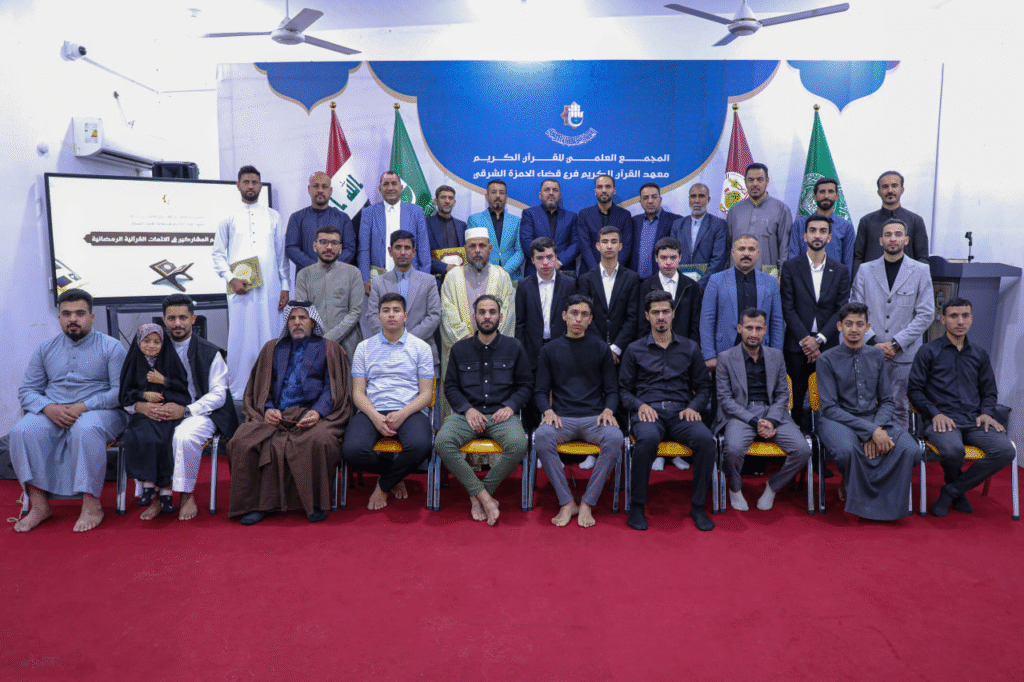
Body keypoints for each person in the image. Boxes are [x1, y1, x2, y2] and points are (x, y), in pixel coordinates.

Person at [10, 290, 128, 533]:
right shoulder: (45, 349)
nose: (73, 319)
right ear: (60, 318)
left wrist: (83, 406)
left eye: (79, 313)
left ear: (92, 317)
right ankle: (39, 505)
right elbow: (28, 390)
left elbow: (121, 392)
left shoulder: (111, 347)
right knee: (22, 431)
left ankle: (91, 505)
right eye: (67, 314)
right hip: (54, 410)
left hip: (100, 411)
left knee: (86, 428)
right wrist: (48, 408)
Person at [228, 302, 350, 524]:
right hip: (276, 414)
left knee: (318, 440)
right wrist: (267, 408)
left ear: (312, 322)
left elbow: (332, 388)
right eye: (292, 318)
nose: (297, 322)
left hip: (311, 415)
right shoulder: (272, 348)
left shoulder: (329, 348)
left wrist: (317, 412)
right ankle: (258, 505)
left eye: (302, 318)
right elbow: (261, 386)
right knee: (243, 441)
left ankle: (313, 503)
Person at [129, 294, 238, 521]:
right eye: (172, 318)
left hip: (201, 412)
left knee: (183, 436)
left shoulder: (209, 351)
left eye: (183, 318)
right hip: (163, 409)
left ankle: (187, 495)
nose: (177, 323)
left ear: (193, 319)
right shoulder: (154, 347)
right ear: (164, 320)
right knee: (148, 433)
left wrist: (186, 410)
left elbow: (218, 395)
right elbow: (134, 383)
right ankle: (158, 497)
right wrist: (144, 406)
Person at [907, 298, 1016, 517]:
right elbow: (914, 391)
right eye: (954, 316)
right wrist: (935, 413)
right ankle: (958, 490)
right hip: (942, 420)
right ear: (943, 319)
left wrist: (987, 413)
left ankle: (952, 490)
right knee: (953, 450)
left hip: (974, 420)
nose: (960, 321)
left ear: (971, 319)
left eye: (965, 316)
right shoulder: (928, 351)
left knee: (1006, 450)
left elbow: (989, 392)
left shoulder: (979, 354)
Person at [619, 291, 717, 532]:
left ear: (673, 314)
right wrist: (640, 406)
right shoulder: (634, 349)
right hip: (648, 412)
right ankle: (638, 506)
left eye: (665, 311)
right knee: (647, 440)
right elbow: (623, 390)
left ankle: (698, 506)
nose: (661, 316)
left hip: (682, 412)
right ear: (647, 316)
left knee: (706, 440)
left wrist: (694, 407)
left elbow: (704, 387)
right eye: (655, 312)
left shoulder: (690, 348)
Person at [815, 302, 922, 521]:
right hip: (837, 420)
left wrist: (875, 428)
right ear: (839, 326)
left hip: (874, 418)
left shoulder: (876, 356)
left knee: (911, 450)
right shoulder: (826, 359)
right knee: (846, 452)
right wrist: (871, 432)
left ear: (868, 327)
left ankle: (878, 497)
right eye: (848, 324)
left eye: (859, 324)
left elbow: (887, 401)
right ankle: (853, 485)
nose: (854, 329)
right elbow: (830, 408)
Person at [435, 295, 532, 526]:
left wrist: (510, 406)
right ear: (474, 316)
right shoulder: (460, 349)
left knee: (518, 444)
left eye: (492, 312)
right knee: (442, 442)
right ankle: (486, 498)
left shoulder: (514, 347)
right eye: (482, 312)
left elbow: (526, 385)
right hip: (466, 415)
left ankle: (478, 495)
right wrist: (467, 410)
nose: (487, 316)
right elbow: (451, 387)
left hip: (501, 415)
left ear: (500, 316)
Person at [533, 295, 622, 528]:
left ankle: (587, 502)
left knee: (615, 437)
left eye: (584, 315)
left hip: (595, 418)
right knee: (541, 436)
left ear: (591, 319)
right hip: (562, 419)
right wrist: (547, 411)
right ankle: (566, 502)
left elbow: (612, 390)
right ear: (564, 316)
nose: (578, 319)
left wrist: (609, 410)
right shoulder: (550, 349)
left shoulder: (601, 349)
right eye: (574, 313)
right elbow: (540, 391)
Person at [343, 293, 435, 510]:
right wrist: (375, 417)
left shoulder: (421, 347)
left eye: (396, 310)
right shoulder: (364, 347)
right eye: (386, 311)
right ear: (378, 317)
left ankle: (383, 485)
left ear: (405, 316)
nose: (391, 315)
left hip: (409, 410)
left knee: (421, 446)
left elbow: (426, 394)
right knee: (352, 450)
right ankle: (395, 475)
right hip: (372, 410)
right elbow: (358, 393)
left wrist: (403, 413)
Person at [715, 309, 811, 511]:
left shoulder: (776, 356)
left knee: (803, 450)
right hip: (740, 414)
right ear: (739, 328)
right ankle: (735, 488)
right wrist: (754, 421)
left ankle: (773, 487)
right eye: (749, 328)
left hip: (773, 413)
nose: (754, 333)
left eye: (758, 328)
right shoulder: (725, 358)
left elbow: (783, 394)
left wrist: (771, 420)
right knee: (732, 451)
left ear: (765, 330)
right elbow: (725, 399)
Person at [212, 165, 290, 400]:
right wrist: (231, 279)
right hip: (240, 290)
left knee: (270, 335)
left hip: (270, 288)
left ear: (260, 185)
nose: (250, 186)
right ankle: (241, 390)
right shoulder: (228, 216)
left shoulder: (273, 216)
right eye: (246, 182)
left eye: (255, 182)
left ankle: (271, 389)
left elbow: (281, 255)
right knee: (241, 339)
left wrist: (285, 285)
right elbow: (217, 254)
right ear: (238, 185)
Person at [850, 218, 934, 429]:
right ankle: (868, 447)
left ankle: (897, 447)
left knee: (899, 408)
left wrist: (895, 343)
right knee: (864, 405)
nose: (893, 239)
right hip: (869, 351)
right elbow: (855, 311)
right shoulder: (865, 270)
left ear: (906, 240)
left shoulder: (920, 270)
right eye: (888, 235)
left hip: (903, 355)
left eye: (898, 234)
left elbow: (926, 314)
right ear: (881, 241)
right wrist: (874, 343)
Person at [779, 215, 851, 434]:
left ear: (829, 237)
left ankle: (824, 447)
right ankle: (796, 446)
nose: (817, 235)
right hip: (796, 346)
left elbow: (841, 309)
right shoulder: (790, 267)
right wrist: (806, 341)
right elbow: (787, 307)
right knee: (794, 402)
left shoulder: (840, 270)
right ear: (805, 236)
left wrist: (818, 340)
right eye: (812, 230)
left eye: (822, 231)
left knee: (826, 402)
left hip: (827, 347)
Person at [439, 227, 515, 416]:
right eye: (472, 246)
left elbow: (507, 314)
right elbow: (447, 313)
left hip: (495, 353)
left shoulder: (502, 276)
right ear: (465, 249)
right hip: (462, 354)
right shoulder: (452, 277)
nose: (477, 250)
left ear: (490, 248)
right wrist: (469, 342)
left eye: (482, 245)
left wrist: (489, 343)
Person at [119, 323, 191, 517]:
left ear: (163, 343)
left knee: (168, 439)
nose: (151, 345)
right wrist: (143, 396)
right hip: (143, 414)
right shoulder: (133, 361)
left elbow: (183, 389)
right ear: (138, 342)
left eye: (157, 342)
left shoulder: (170, 360)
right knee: (144, 436)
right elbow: (125, 393)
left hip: (167, 414)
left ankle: (166, 492)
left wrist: (164, 381)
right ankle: (148, 485)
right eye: (146, 341)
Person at [700, 235, 784, 372]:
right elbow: (706, 320)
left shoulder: (770, 282)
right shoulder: (716, 280)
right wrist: (709, 354)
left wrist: (776, 355)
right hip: (724, 352)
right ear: (733, 253)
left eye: (751, 249)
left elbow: (777, 321)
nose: (746, 254)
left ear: (758, 253)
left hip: (762, 354)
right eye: (741, 249)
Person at [365, 230, 442, 373]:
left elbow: (434, 315)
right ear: (390, 251)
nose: (402, 252)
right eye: (398, 247)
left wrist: (407, 340)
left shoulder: (428, 281)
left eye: (407, 248)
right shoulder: (378, 282)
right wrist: (392, 339)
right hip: (386, 353)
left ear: (413, 252)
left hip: (422, 353)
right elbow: (372, 315)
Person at [294, 225, 364, 364]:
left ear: (340, 248)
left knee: (347, 377)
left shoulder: (353, 273)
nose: (329, 247)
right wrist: (321, 342)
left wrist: (327, 341)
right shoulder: (304, 275)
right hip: (313, 343)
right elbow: (303, 313)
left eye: (334, 243)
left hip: (348, 343)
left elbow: (355, 312)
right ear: (315, 246)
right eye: (323, 242)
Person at [358, 170, 431, 294]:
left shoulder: (416, 212)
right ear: (380, 189)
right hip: (379, 280)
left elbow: (423, 248)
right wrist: (364, 279)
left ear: (401, 188)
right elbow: (364, 249)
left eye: (394, 183)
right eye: (386, 184)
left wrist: (424, 279)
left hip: (411, 280)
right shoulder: (369, 213)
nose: (390, 188)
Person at [577, 225, 640, 366]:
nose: (609, 246)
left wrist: (616, 348)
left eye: (613, 241)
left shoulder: (632, 278)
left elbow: (633, 317)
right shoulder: (586, 279)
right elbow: (585, 316)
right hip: (593, 350)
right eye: (605, 242)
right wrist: (604, 349)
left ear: (620, 246)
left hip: (623, 352)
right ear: (598, 246)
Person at [515, 237, 577, 375]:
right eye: (539, 258)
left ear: (556, 257)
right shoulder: (523, 286)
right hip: (532, 353)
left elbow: (573, 320)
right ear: (532, 260)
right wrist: (522, 353)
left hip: (563, 350)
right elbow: (520, 324)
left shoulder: (570, 284)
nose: (545, 262)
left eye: (549, 257)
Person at [853, 171, 929, 277]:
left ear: (902, 190)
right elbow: (858, 257)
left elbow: (922, 258)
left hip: (906, 282)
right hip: (872, 282)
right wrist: (858, 283)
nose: (890, 190)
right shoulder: (866, 221)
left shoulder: (915, 221)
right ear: (879, 192)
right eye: (885, 187)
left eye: (894, 186)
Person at [725, 163, 792, 270]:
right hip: (737, 274)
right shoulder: (734, 211)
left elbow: (785, 247)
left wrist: (782, 274)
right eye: (751, 180)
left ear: (767, 181)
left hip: (768, 274)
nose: (755, 184)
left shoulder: (781, 209)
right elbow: (727, 248)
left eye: (760, 180)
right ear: (745, 182)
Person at [635, 236, 701, 345]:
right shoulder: (645, 287)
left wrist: (691, 348)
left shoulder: (692, 286)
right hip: (654, 347)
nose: (668, 262)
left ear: (680, 258)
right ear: (656, 258)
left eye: (673, 257)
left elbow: (695, 324)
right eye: (663, 258)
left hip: (685, 348)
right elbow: (643, 324)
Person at [285, 170, 357, 269]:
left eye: (324, 186)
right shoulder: (296, 218)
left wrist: (330, 266)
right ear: (309, 189)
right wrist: (315, 268)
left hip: (336, 275)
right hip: (306, 275)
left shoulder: (343, 218)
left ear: (330, 190)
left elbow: (349, 249)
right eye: (316, 186)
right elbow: (291, 248)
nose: (320, 190)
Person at [787, 177, 855, 275]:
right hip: (804, 280)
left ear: (837, 196)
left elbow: (848, 263)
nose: (826, 196)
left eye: (830, 192)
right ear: (814, 197)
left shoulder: (846, 227)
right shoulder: (799, 224)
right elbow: (793, 258)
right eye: (822, 192)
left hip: (834, 282)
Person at [670, 182, 729, 289]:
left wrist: (701, 286)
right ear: (689, 199)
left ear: (708, 199)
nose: (697, 200)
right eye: (693, 196)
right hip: (681, 286)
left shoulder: (718, 225)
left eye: (701, 196)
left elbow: (718, 260)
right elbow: (672, 256)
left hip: (708, 286)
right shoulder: (677, 225)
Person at [466, 178, 523, 282]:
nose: (497, 196)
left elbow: (520, 251)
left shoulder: (516, 221)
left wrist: (504, 272)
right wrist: (492, 272)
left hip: (512, 278)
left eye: (501, 193)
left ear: (506, 197)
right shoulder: (475, 220)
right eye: (493, 192)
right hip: (484, 277)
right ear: (487, 197)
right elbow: (473, 249)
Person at [519, 179, 579, 275]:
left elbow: (576, 243)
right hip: (535, 271)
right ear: (540, 195)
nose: (551, 193)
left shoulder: (571, 216)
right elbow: (526, 241)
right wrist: (545, 261)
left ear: (559, 195)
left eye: (555, 190)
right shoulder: (529, 214)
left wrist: (560, 261)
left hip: (563, 270)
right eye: (547, 190)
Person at [577, 174, 633, 275]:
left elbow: (626, 246)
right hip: (590, 273)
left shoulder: (625, 215)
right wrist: (598, 272)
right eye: (600, 187)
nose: (604, 190)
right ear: (595, 191)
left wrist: (613, 269)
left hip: (617, 274)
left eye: (608, 187)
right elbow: (585, 246)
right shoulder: (584, 214)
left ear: (614, 190)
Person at [628, 182, 681, 279]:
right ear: (640, 201)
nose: (650, 201)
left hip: (663, 280)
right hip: (636, 281)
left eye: (654, 197)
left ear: (660, 199)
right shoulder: (633, 221)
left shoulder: (675, 221)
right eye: (645, 198)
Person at [425, 184, 466, 280]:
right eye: (443, 197)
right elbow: (422, 255)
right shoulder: (425, 224)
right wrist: (444, 267)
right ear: (436, 201)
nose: (447, 201)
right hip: (435, 279)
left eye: (450, 198)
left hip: (459, 278)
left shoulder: (462, 226)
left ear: (454, 202)